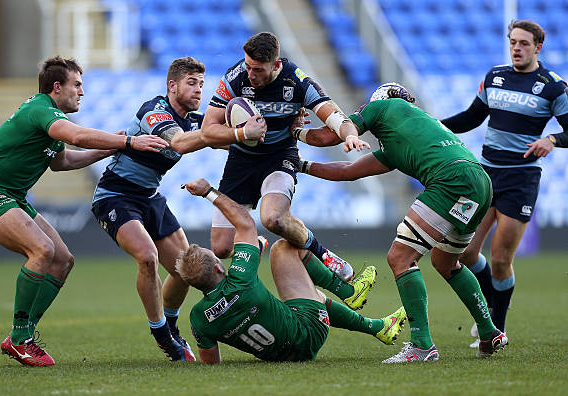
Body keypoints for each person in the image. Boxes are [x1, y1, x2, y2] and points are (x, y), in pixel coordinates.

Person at [0, 56, 168, 367]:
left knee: (62, 260)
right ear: (57, 87)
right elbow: (77, 136)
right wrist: (127, 140)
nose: (82, 92)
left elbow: (63, 162)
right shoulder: (41, 109)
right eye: (77, 85)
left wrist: (114, 147)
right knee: (42, 250)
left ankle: (22, 337)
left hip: (12, 196)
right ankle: (19, 340)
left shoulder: (47, 116)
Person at [294, 83, 508, 363]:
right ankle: (489, 330)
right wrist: (301, 165)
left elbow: (329, 136)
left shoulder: (382, 106)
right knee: (447, 263)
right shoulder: (405, 138)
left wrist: (291, 131)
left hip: (449, 180)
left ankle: (421, 345)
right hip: (479, 181)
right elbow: (348, 171)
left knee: (400, 258)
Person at [176, 177, 406, 363]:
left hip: (281, 357)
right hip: (308, 333)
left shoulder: (198, 318)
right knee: (283, 248)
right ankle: (348, 291)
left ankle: (378, 327)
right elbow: (245, 223)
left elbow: (210, 362)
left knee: (308, 294)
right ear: (218, 266)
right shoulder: (240, 278)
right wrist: (208, 192)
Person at [200, 32, 368, 283]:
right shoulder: (235, 77)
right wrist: (243, 132)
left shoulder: (296, 80)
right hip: (241, 160)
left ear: (276, 65)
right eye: (247, 66)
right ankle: (255, 243)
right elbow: (207, 130)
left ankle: (322, 254)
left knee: (273, 219)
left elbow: (335, 116)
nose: (250, 74)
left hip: (279, 157)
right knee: (221, 248)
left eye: (257, 69)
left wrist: (350, 136)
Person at [440, 20, 568, 346]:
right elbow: (471, 117)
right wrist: (432, 125)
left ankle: (495, 328)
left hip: (521, 179)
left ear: (538, 47)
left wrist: (553, 138)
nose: (516, 48)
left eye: (524, 43)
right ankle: (494, 302)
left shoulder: (553, 86)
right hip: (485, 175)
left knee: (500, 260)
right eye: (513, 42)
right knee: (466, 252)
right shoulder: (495, 76)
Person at [91, 57, 213, 361]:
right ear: (172, 86)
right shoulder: (154, 112)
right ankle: (162, 335)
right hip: (115, 196)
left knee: (187, 269)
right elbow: (182, 143)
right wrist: (230, 133)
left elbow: (218, 135)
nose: (199, 90)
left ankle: (171, 326)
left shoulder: (193, 119)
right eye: (191, 83)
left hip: (149, 197)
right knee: (147, 257)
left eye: (201, 83)